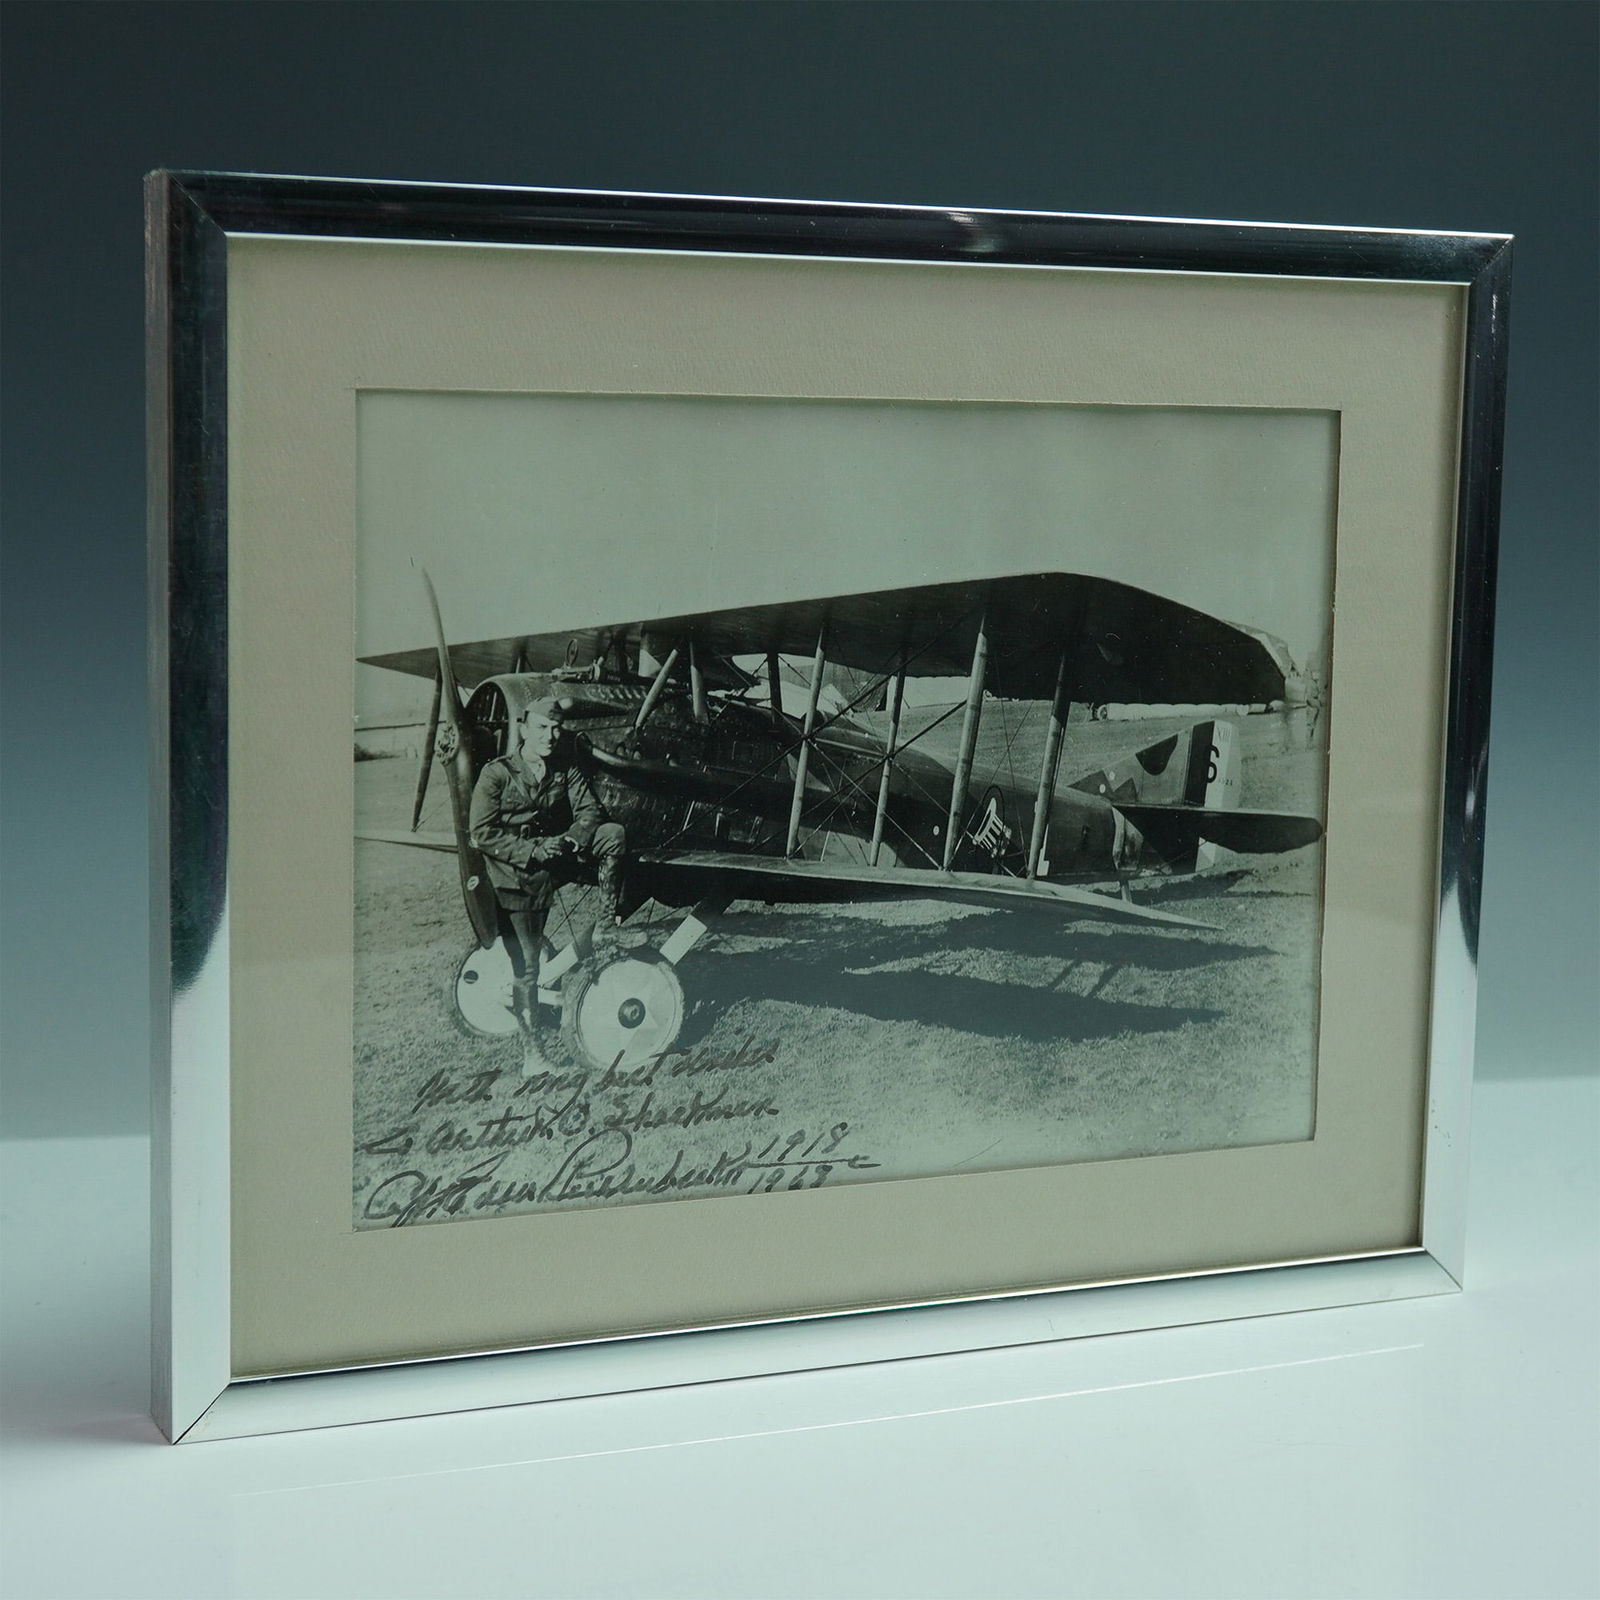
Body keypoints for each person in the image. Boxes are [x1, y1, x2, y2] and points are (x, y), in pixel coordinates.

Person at [468, 697, 627, 1071]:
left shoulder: (565, 768)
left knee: (613, 834)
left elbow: (590, 812)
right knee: (526, 967)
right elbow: (482, 832)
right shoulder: (497, 773)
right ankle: (533, 1054)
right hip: (515, 871)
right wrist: (534, 850)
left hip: (558, 855)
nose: (550, 736)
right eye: (541, 728)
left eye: (556, 729)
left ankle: (605, 926)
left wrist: (572, 839)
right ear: (524, 729)